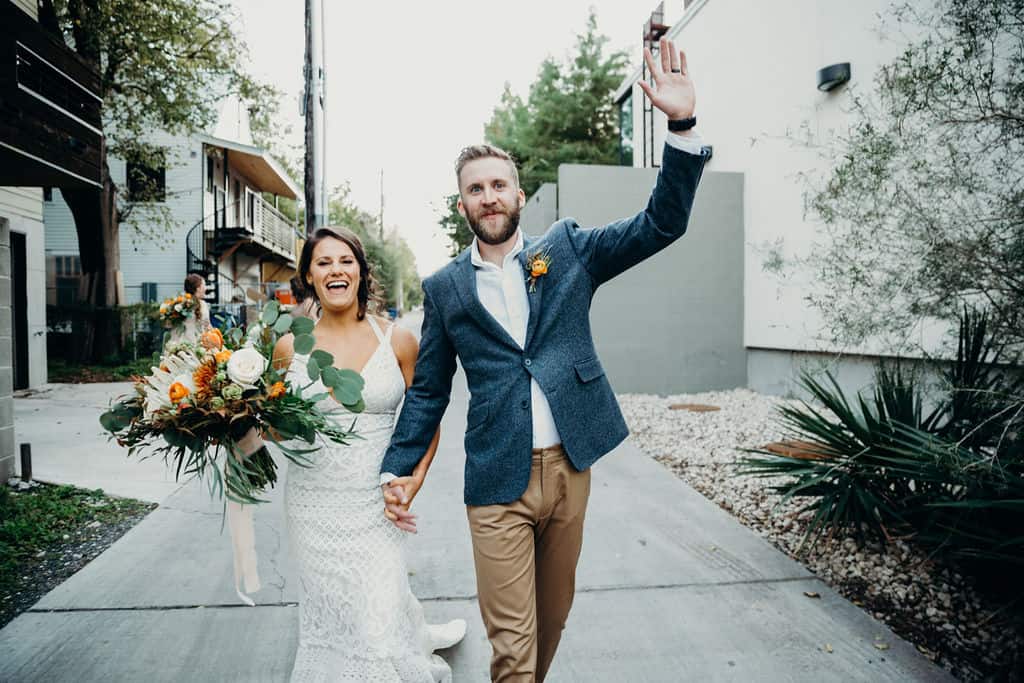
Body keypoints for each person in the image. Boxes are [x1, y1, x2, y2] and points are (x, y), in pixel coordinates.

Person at [380, 38, 706, 681]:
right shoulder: (445, 288)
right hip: (495, 480)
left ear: (519, 194)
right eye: (475, 189)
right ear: (462, 205)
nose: (489, 196)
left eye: (499, 184)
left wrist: (682, 126)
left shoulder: (569, 250)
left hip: (569, 469)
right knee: (512, 647)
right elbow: (429, 391)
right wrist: (398, 467)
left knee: (551, 621)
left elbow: (661, 224)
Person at [272, 226, 466, 682]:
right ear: (308, 276)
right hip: (313, 504)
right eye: (323, 262)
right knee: (339, 612)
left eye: (345, 260)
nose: (335, 270)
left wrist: (412, 481)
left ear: (360, 270)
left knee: (376, 613)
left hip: (375, 502)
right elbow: (276, 428)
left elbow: (425, 418)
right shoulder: (286, 347)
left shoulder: (397, 340)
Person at [165, 273, 211, 347]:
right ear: (198, 288)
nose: (206, 288)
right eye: (204, 285)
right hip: (195, 347)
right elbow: (207, 327)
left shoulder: (177, 303)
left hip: (177, 345)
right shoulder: (203, 305)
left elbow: (168, 325)